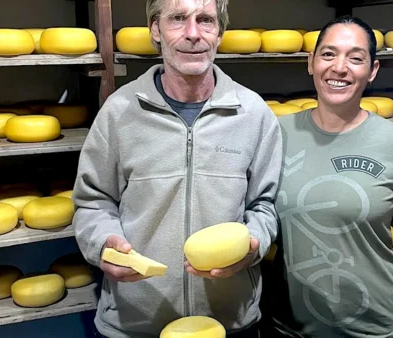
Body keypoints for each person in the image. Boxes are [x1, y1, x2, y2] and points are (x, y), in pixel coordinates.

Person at [71, 0, 282, 337]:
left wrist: (253, 243)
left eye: (206, 20)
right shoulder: (119, 111)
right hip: (134, 322)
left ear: (220, 32)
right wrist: (101, 242)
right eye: (178, 19)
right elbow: (93, 201)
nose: (193, 33)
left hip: (228, 322)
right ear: (156, 29)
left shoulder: (253, 114)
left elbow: (265, 205)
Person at [267, 15, 393, 338]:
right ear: (311, 62)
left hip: (371, 326)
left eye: (355, 58)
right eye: (328, 54)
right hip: (289, 326)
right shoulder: (278, 133)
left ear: (371, 71)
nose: (339, 68)